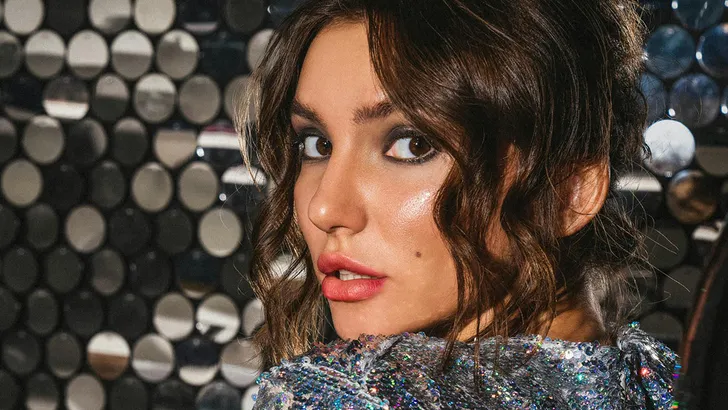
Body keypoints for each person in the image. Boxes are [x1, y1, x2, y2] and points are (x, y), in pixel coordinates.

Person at [236, 0, 679, 408]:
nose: (324, 208)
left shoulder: (338, 396)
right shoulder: (662, 387)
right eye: (316, 144)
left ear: (569, 192)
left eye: (412, 144)